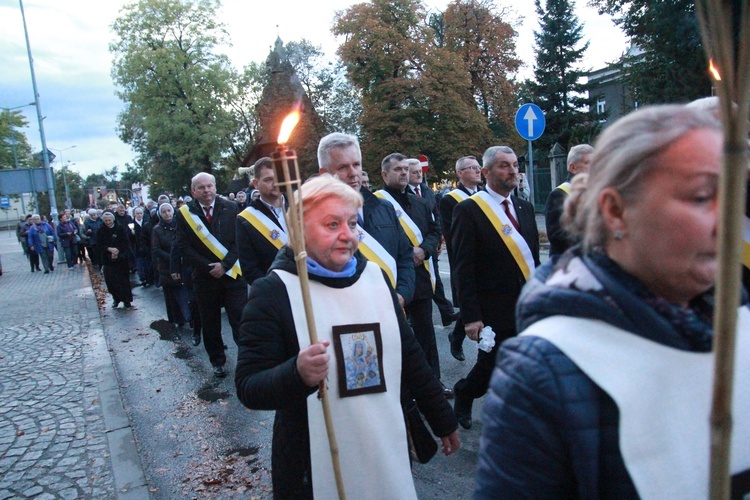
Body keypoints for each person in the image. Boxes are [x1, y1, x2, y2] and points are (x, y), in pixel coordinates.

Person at [475, 104, 750, 498]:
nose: (726, 221)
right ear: (616, 211)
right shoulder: (541, 374)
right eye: (701, 196)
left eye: (734, 196)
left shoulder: (741, 323)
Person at [235, 174, 460, 499]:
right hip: (312, 465)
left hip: (384, 449)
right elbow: (249, 387)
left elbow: (409, 356)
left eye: (352, 224)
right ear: (299, 229)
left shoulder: (374, 277)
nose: (347, 235)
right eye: (331, 225)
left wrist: (443, 419)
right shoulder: (273, 291)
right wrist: (296, 373)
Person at [451, 145, 540, 429]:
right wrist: (471, 315)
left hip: (527, 303)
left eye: (515, 164)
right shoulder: (469, 210)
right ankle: (465, 393)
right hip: (493, 307)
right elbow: (463, 268)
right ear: (486, 173)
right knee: (490, 366)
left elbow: (534, 260)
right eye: (504, 165)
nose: (512, 170)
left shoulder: (525, 208)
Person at [379, 153, 451, 398]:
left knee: (425, 335)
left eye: (404, 169)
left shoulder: (420, 203)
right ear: (384, 175)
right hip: (390, 280)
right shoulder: (376, 205)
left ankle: (433, 385)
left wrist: (424, 250)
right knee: (395, 337)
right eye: (397, 169)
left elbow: (435, 230)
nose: (403, 173)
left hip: (420, 279)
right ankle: (401, 390)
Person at [317, 132, 415, 308]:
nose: (354, 173)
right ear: (324, 174)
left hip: (394, 310)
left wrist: (402, 295)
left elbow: (405, 256)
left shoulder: (384, 208)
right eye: (343, 167)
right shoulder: (314, 221)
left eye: (356, 165)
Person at [170, 172, 247, 378]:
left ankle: (247, 359)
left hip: (232, 275)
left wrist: (225, 264)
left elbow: (240, 240)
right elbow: (182, 245)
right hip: (204, 277)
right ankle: (217, 361)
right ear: (193, 191)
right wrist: (208, 266)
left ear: (215, 187)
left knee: (240, 319)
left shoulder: (231, 208)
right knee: (210, 322)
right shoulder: (184, 213)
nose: (207, 191)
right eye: (202, 187)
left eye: (210, 186)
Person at [438, 155, 483, 361]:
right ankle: (458, 337)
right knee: (471, 303)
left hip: (487, 259)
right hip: (465, 257)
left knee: (481, 303)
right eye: (471, 167)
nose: (477, 170)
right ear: (460, 173)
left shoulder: (484, 195)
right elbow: (452, 234)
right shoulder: (450, 200)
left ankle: (456, 336)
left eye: (478, 167)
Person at [407, 158, 458, 328]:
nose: (418, 174)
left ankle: (446, 312)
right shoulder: (401, 195)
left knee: (435, 278)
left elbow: (436, 217)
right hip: (413, 248)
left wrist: (437, 239)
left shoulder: (427, 192)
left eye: (420, 171)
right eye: (414, 172)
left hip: (429, 245)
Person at [236, 157, 288, 285]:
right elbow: (249, 268)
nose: (275, 183)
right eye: (268, 179)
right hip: (274, 291)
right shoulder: (245, 220)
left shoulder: (300, 205)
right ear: (256, 183)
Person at [544, 143, 593, 258]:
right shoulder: (559, 195)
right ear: (573, 168)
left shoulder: (594, 193)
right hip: (568, 265)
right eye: (588, 163)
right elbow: (557, 236)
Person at [152, 203, 191, 328]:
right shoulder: (157, 230)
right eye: (164, 212)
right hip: (167, 266)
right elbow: (156, 249)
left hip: (183, 263)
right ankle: (178, 319)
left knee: (187, 293)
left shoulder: (180, 225)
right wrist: (173, 258)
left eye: (169, 210)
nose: (167, 214)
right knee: (173, 295)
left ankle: (190, 317)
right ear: (160, 214)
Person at [97, 211, 133, 308]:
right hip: (108, 259)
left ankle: (127, 300)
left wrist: (117, 252)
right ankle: (116, 299)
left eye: (109, 220)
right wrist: (109, 249)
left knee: (124, 280)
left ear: (113, 220)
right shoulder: (100, 231)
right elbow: (99, 245)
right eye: (106, 220)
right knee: (111, 282)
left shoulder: (120, 228)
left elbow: (125, 242)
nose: (108, 222)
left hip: (121, 258)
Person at [132, 207, 153, 287]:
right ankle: (142, 278)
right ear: (135, 214)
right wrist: (131, 234)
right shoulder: (132, 224)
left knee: (147, 262)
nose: (139, 215)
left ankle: (149, 277)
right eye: (137, 213)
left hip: (146, 246)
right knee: (139, 263)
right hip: (136, 246)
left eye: (141, 213)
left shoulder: (146, 222)